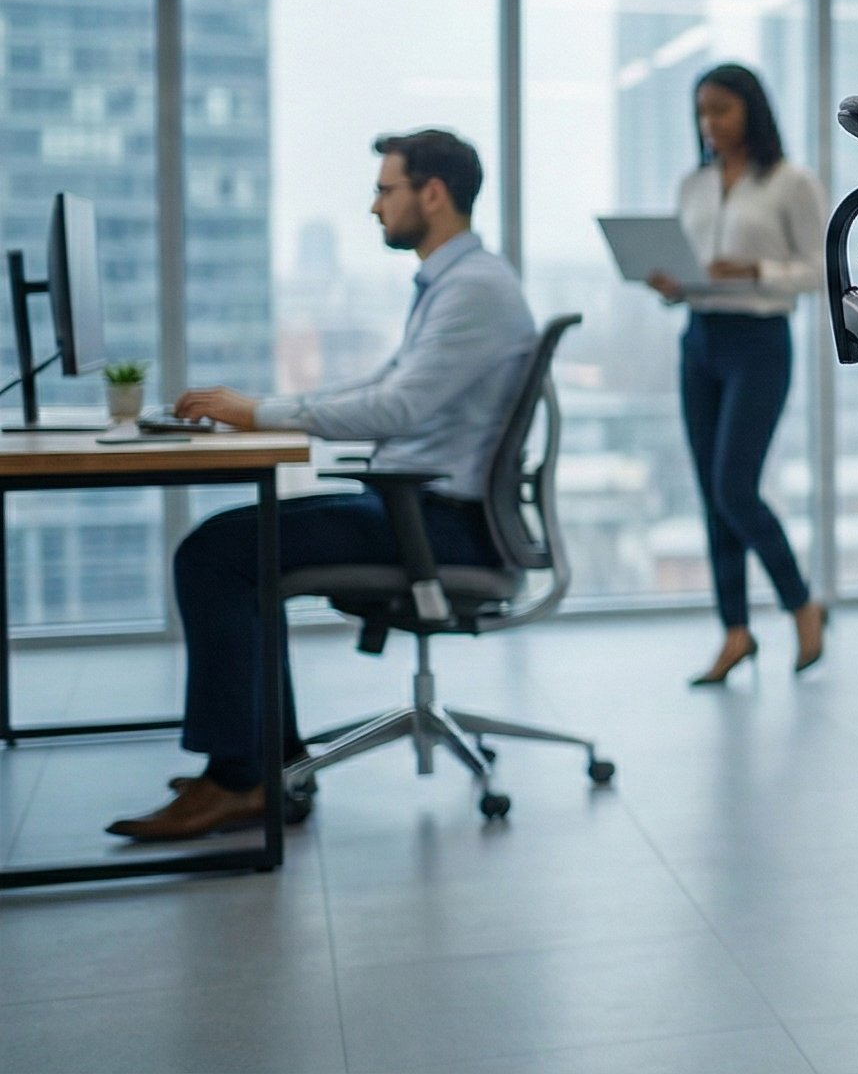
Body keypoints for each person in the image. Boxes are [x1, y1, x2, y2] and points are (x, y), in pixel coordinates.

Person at [106, 130, 536, 842]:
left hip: (438, 520)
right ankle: (263, 763)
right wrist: (261, 408)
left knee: (217, 554)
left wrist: (261, 412)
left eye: (385, 189)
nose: (374, 207)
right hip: (417, 502)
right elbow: (384, 385)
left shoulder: (475, 289)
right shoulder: (457, 282)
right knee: (237, 546)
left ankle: (241, 778)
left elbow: (398, 409)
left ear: (433, 194)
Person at [643, 63, 830, 685]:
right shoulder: (693, 184)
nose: (710, 123)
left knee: (734, 487)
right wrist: (675, 284)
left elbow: (817, 270)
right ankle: (735, 633)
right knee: (710, 494)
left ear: (750, 109)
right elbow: (695, 267)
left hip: (758, 342)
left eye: (720, 109)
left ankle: (801, 605)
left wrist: (751, 273)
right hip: (699, 338)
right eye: (702, 112)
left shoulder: (789, 183)